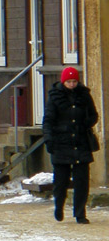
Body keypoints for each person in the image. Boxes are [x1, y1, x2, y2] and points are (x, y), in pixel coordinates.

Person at [43, 66, 100, 224]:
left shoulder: (84, 95)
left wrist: (86, 123)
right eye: (69, 81)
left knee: (82, 180)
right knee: (61, 181)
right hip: (61, 143)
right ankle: (59, 206)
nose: (72, 84)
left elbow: (94, 114)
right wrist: (49, 138)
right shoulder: (55, 97)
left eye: (74, 81)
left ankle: (80, 213)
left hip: (81, 142)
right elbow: (48, 119)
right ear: (63, 81)